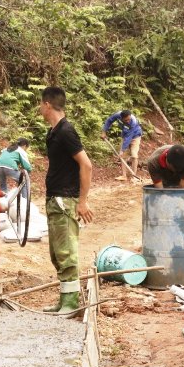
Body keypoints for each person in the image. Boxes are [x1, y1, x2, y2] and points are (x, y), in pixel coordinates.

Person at [39, 87, 94, 315]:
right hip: (55, 199)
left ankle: (71, 304)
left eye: (40, 104)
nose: (39, 108)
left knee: (66, 253)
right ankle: (64, 300)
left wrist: (82, 202)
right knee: (57, 253)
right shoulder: (55, 132)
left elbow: (86, 164)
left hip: (65, 200)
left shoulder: (66, 131)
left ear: (47, 105)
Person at [101, 109, 142, 181]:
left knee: (134, 155)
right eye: (126, 120)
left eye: (129, 119)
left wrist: (122, 150)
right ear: (121, 118)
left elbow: (129, 137)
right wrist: (104, 132)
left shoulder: (133, 122)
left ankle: (134, 177)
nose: (128, 121)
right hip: (125, 134)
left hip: (135, 135)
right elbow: (109, 120)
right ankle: (124, 176)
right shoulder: (118, 115)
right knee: (123, 156)